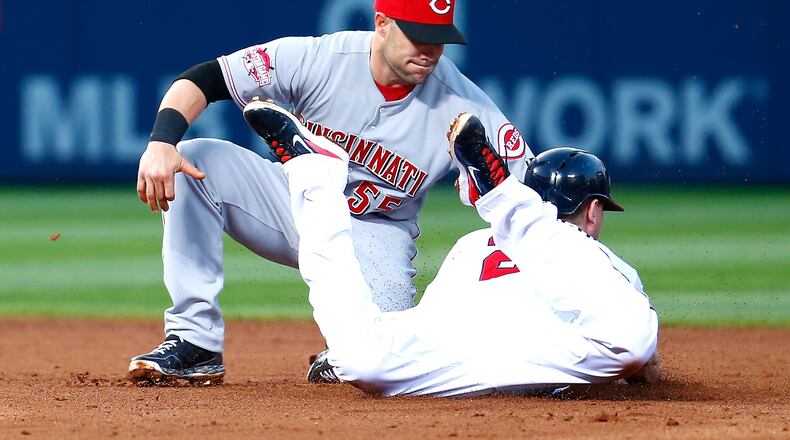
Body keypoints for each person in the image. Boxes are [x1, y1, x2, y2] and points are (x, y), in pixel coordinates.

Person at [129, 0, 531, 385]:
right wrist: (161, 141)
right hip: (292, 203)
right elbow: (206, 77)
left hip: (374, 235)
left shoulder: (462, 102)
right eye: (417, 35)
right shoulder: (322, 59)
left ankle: (340, 349)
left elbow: (530, 185)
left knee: (384, 356)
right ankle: (195, 339)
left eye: (439, 38)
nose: (429, 51)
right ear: (382, 23)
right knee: (193, 160)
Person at [249, 102, 659, 396]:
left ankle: (313, 175)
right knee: (630, 341)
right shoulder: (608, 265)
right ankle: (499, 195)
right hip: (535, 354)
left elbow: (429, 319)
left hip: (454, 360)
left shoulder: (473, 244)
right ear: (592, 211)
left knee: (361, 357)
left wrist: (362, 349)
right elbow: (643, 367)